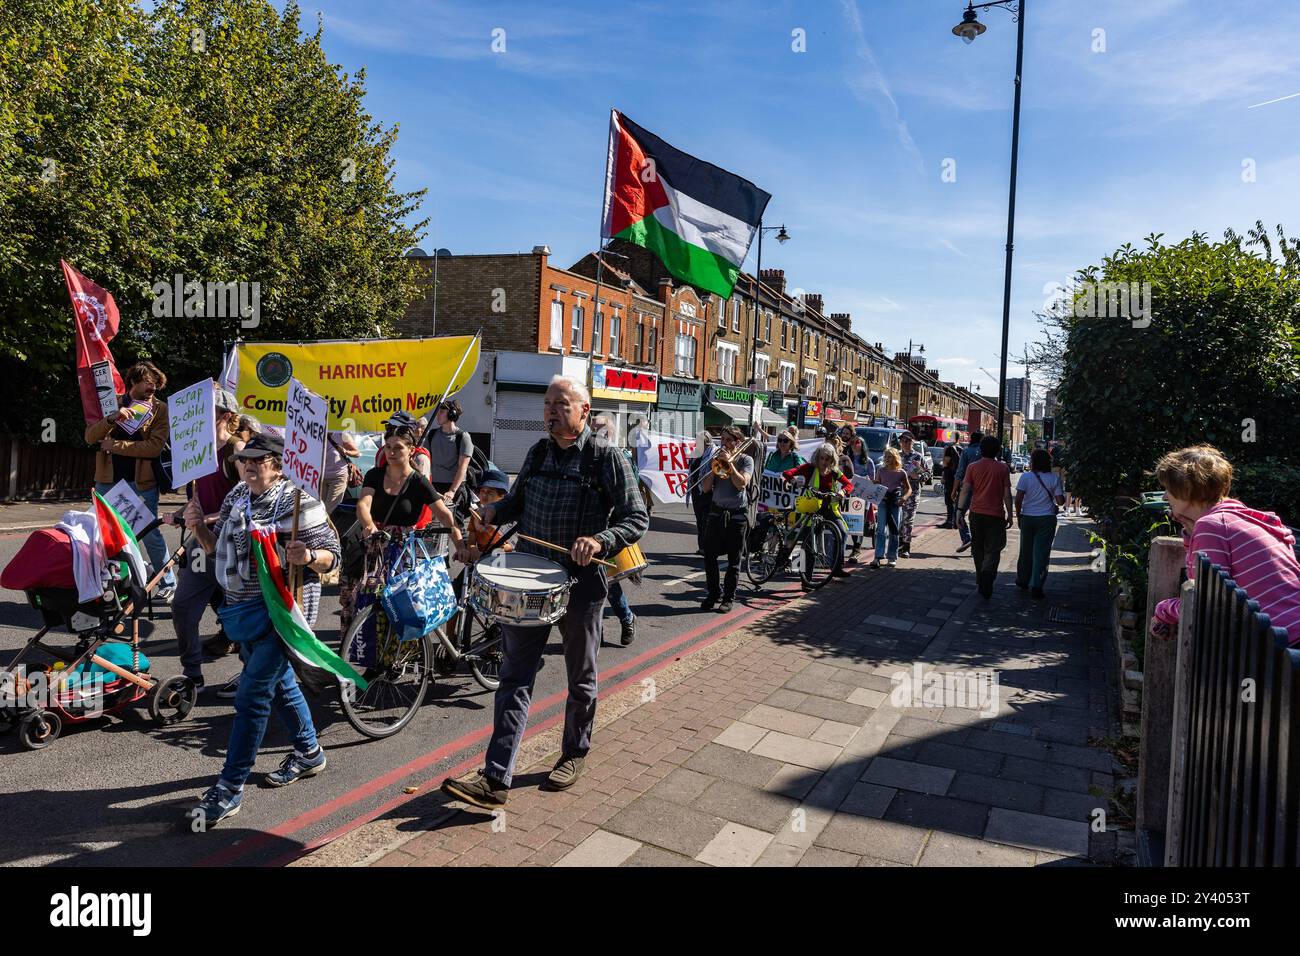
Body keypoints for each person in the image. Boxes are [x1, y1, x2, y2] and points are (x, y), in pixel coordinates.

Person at [440, 376, 647, 809]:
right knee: (514, 675)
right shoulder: (537, 452)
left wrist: (601, 540)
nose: (551, 410)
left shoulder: (605, 457)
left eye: (562, 403)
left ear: (584, 411)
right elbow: (515, 503)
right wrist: (491, 510)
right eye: (548, 403)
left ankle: (574, 752)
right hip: (531, 578)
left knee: (580, 677)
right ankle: (496, 778)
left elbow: (636, 517)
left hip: (582, 583)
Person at [186, 432, 341, 826]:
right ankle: (308, 752)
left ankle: (230, 787)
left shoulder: (300, 500)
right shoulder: (236, 497)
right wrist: (196, 527)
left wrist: (308, 556)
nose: (249, 465)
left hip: (281, 614)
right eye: (245, 459)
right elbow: (214, 546)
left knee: (252, 696)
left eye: (259, 459)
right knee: (281, 682)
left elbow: (332, 556)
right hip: (243, 611)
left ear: (278, 464)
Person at [1149, 445, 1300, 644]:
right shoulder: (1237, 519)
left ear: (1186, 492)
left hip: (1280, 644)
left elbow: (1205, 604)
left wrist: (1163, 610)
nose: (1164, 497)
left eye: (1168, 490)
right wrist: (1190, 530)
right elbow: (1204, 578)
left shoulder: (1211, 526)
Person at [340, 421, 461, 638]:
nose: (392, 452)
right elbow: (363, 505)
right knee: (367, 599)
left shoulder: (418, 481)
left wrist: (460, 544)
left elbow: (444, 515)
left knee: (403, 605)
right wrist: (369, 527)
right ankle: (370, 654)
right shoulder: (375, 475)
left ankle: (398, 658)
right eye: (388, 447)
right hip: (376, 545)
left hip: (405, 551)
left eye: (398, 447)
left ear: (411, 450)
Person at [164, 386, 241, 688]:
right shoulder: (195, 451)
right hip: (201, 543)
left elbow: (250, 501)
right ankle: (192, 673)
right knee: (182, 606)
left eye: (206, 412)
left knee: (242, 613)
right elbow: (199, 498)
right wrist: (184, 512)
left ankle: (251, 675)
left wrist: (210, 517)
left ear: (226, 416)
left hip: (234, 544)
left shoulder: (235, 451)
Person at [86, 360, 176, 600]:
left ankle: (167, 581)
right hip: (108, 478)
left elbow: (154, 447)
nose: (153, 389)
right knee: (102, 531)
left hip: (142, 481)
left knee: (148, 532)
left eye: (156, 385)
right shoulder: (112, 403)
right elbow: (90, 436)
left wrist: (115, 445)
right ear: (133, 382)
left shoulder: (160, 409)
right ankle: (109, 581)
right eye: (149, 383)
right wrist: (111, 419)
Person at [592, 414, 637, 646]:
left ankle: (627, 618)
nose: (594, 432)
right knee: (590, 585)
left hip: (610, 532)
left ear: (609, 433)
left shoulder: (620, 458)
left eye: (599, 429)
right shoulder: (586, 456)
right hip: (586, 532)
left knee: (609, 583)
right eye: (592, 428)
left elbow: (631, 503)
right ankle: (593, 633)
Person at [781, 442, 854, 579]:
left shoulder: (834, 471)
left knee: (843, 533)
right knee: (809, 546)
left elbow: (849, 485)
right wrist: (793, 481)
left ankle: (836, 568)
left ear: (832, 460)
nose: (824, 462)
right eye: (822, 458)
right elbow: (787, 473)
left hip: (829, 509)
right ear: (817, 457)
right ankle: (805, 579)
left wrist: (843, 492)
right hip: (811, 509)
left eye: (828, 459)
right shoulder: (809, 468)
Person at [700, 427, 754, 611]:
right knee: (709, 556)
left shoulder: (746, 460)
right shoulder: (716, 460)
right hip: (716, 513)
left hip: (737, 515)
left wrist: (730, 464)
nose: (724, 443)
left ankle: (728, 598)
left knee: (733, 560)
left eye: (728, 440)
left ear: (737, 441)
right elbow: (706, 488)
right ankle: (714, 593)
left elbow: (741, 484)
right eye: (722, 439)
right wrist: (715, 468)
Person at [957, 435, 1014, 600]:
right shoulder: (1003, 469)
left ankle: (981, 577)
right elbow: (1006, 495)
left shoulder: (973, 467)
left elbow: (965, 490)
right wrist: (1010, 515)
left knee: (978, 547)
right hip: (996, 515)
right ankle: (987, 575)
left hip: (976, 514)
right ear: (998, 450)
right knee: (994, 548)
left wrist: (960, 511)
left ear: (980, 449)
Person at [1015, 448, 1066, 598]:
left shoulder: (1025, 477)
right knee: (1041, 552)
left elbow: (1018, 500)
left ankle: (1023, 580)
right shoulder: (1054, 478)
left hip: (1028, 517)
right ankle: (1036, 584)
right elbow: (1060, 502)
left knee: (1025, 551)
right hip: (1046, 519)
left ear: (1033, 462)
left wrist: (1019, 517)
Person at [869, 447, 911, 569]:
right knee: (881, 530)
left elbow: (909, 489)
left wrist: (904, 498)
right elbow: (877, 483)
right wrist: (873, 483)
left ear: (895, 458)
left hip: (895, 503)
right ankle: (877, 557)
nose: (887, 459)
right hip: (883, 502)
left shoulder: (901, 472)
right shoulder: (881, 470)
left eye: (890, 456)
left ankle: (892, 557)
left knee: (894, 530)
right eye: (886, 456)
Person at [425, 399, 473, 503]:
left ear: (452, 414)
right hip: (433, 485)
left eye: (442, 412)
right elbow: (426, 461)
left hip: (453, 487)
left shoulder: (463, 437)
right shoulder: (432, 435)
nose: (438, 415)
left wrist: (452, 491)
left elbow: (463, 467)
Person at [896, 431, 930, 558]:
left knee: (907, 520)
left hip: (912, 493)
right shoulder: (896, 456)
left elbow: (928, 475)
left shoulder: (918, 457)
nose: (905, 443)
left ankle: (905, 547)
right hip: (897, 492)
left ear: (912, 442)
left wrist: (918, 476)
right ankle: (898, 544)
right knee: (897, 520)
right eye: (903, 440)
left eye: (908, 441)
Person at [952, 431, 984, 552]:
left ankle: (967, 538)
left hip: (967, 488)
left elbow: (960, 473)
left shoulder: (966, 452)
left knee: (959, 514)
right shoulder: (985, 453)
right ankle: (976, 545)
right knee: (976, 517)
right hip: (982, 490)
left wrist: (954, 490)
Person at [846, 435, 875, 561]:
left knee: (859, 522)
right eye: (851, 442)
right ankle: (853, 546)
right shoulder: (847, 459)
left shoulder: (868, 461)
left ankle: (856, 549)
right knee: (850, 521)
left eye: (856, 442)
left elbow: (874, 481)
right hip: (848, 494)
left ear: (862, 445)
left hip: (862, 496)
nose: (853, 444)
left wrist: (868, 480)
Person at [321, 431, 362, 516]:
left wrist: (346, 451)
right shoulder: (317, 433)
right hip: (321, 477)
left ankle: (326, 528)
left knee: (329, 510)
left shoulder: (341, 434)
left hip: (338, 477)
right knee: (321, 508)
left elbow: (357, 453)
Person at [687, 431, 714, 555]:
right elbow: (691, 469)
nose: (696, 443)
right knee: (699, 519)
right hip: (696, 490)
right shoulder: (695, 453)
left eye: (699, 441)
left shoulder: (713, 453)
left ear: (706, 442)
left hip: (708, 491)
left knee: (706, 519)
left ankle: (708, 546)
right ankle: (702, 546)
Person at [1050, 440, 1077, 515]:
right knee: (1064, 485)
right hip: (1063, 468)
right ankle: (1064, 503)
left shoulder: (1054, 449)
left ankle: (1055, 501)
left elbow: (1051, 457)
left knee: (1055, 484)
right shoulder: (1066, 450)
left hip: (1055, 467)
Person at [940, 444, 961, 529]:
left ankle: (950, 521)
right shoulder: (960, 449)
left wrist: (944, 453)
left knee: (949, 500)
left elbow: (946, 462)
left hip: (950, 476)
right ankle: (955, 521)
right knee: (955, 500)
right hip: (957, 476)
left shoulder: (949, 448)